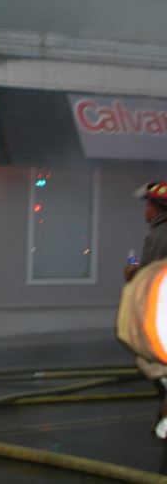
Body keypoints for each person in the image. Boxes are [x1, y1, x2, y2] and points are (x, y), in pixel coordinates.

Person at [121, 181, 167, 438]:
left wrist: (131, 275)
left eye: (147, 204)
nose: (144, 211)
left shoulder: (158, 236)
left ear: (157, 207)